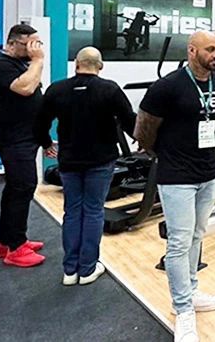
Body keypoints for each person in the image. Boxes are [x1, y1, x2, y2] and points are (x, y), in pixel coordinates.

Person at [134, 31, 215, 342]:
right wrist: (164, 154)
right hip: (177, 176)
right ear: (192, 50)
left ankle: (191, 292)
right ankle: (183, 309)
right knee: (178, 243)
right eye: (210, 49)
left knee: (197, 235)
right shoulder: (167, 87)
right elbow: (144, 130)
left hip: (209, 173)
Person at [34, 47, 136, 286]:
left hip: (69, 160)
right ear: (100, 66)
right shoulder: (110, 89)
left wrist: (46, 143)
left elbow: (39, 122)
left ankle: (70, 271)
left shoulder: (57, 89)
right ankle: (88, 268)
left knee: (72, 211)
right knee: (93, 210)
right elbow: (129, 120)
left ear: (76, 65)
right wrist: (143, 140)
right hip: (100, 161)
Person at [0, 24, 56, 268]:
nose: (35, 49)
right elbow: (25, 89)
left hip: (24, 138)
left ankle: (8, 241)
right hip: (13, 140)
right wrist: (39, 60)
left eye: (38, 44)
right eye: (30, 44)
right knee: (23, 187)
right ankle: (16, 249)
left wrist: (44, 140)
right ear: (13, 43)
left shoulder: (18, 64)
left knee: (15, 189)